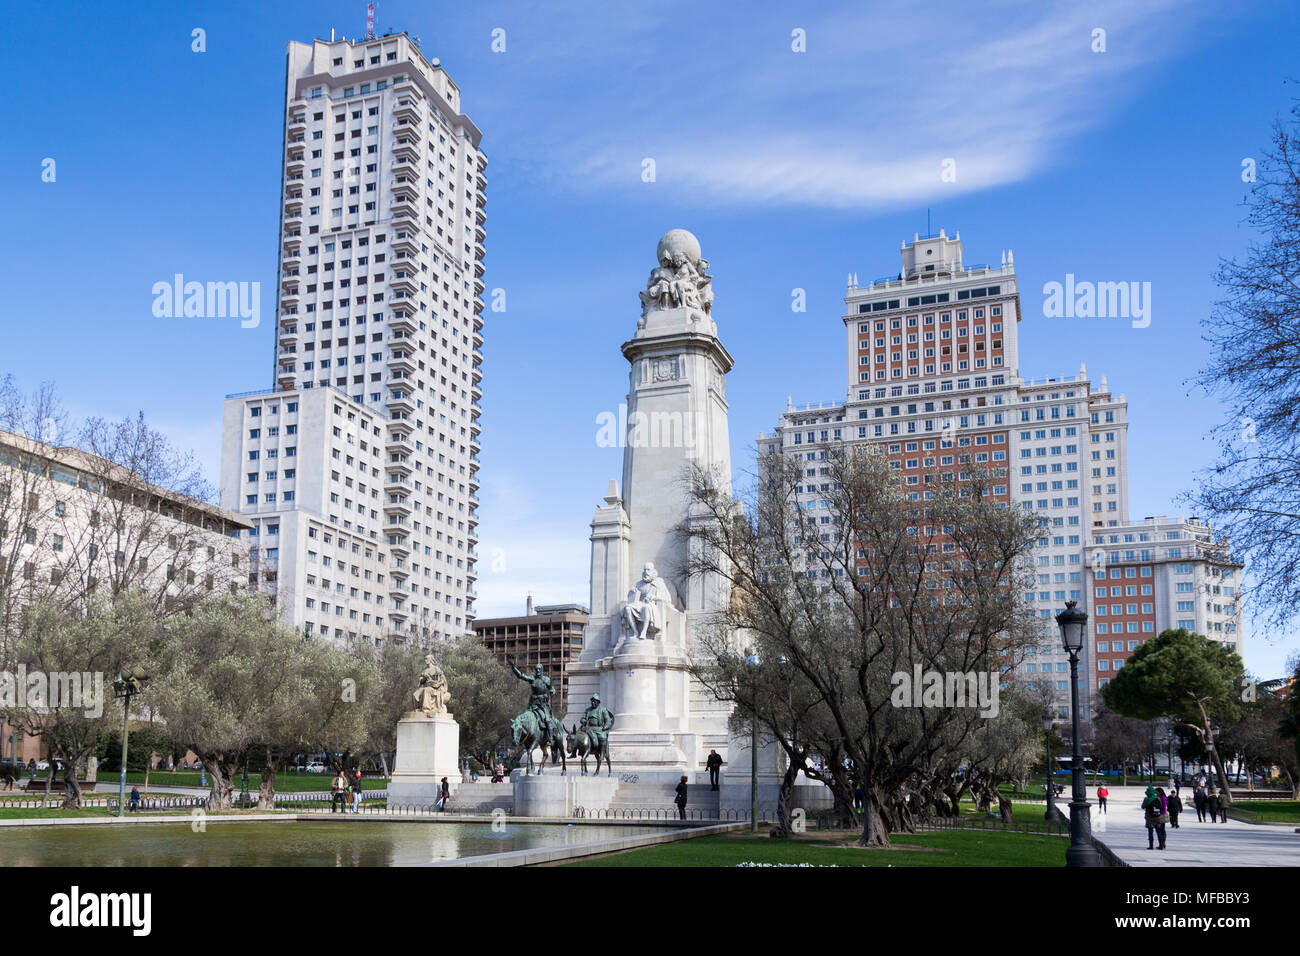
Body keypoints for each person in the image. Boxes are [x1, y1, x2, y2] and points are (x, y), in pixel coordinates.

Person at [1141, 785, 1167, 850]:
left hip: (1149, 818)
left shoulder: (1146, 799)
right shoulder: (1158, 798)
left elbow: (1143, 807)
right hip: (1158, 818)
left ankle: (1151, 846)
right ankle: (1161, 845)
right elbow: (1161, 807)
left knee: (1150, 832)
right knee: (1158, 831)